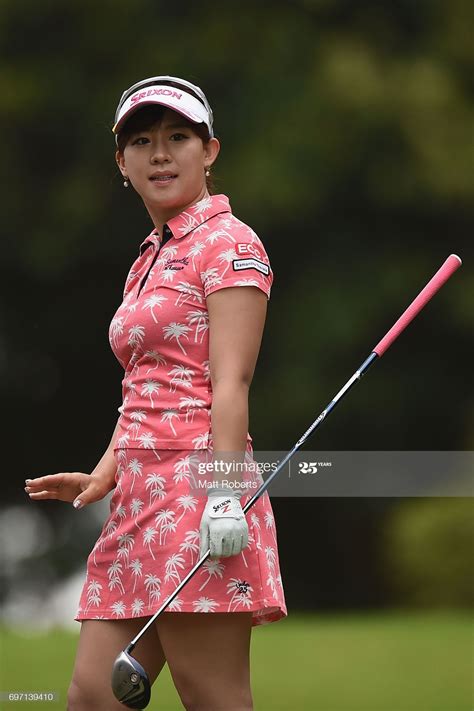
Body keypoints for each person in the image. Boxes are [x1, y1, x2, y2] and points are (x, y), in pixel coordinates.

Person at [25, 75, 287, 711]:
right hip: (137, 504)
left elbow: (230, 382)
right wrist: (104, 474)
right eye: (141, 141)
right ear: (122, 162)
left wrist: (226, 496)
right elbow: (146, 388)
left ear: (210, 150)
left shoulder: (229, 245)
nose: (160, 153)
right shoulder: (149, 257)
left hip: (199, 498)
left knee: (213, 697)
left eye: (178, 137)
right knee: (94, 696)